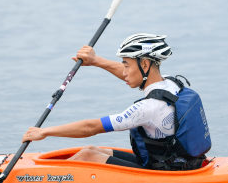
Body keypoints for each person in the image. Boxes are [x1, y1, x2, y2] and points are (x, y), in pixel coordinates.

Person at [21, 34, 212, 171]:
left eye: (127, 64)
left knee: (88, 155)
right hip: (182, 161)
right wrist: (95, 61)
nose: (124, 71)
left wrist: (44, 132)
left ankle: (47, 179)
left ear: (144, 65)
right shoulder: (171, 83)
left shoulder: (147, 108)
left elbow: (91, 127)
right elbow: (127, 75)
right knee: (92, 150)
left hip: (168, 171)